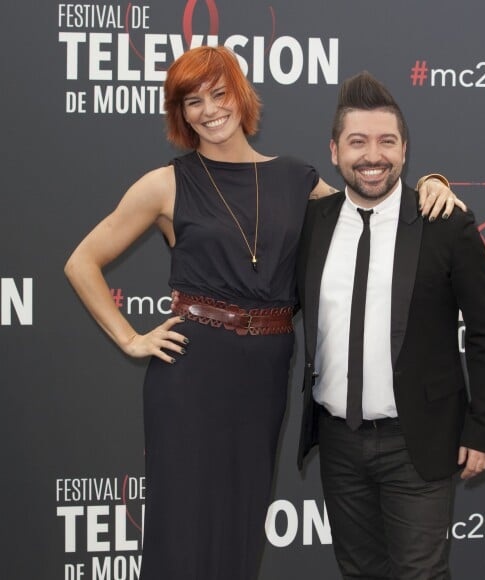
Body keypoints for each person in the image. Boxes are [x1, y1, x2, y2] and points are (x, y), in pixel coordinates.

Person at [64, 47, 461, 580]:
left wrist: (431, 182)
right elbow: (82, 261)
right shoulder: (166, 183)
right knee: (181, 520)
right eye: (192, 101)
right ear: (181, 114)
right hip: (191, 371)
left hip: (265, 373)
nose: (209, 110)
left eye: (219, 93)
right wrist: (131, 339)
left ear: (241, 94)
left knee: (241, 520)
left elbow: (373, 198)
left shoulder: (297, 179)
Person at [296, 71, 485, 580]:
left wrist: (484, 430)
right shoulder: (313, 221)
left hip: (418, 441)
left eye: (386, 141)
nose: (373, 155)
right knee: (358, 572)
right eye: (358, 142)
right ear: (334, 150)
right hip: (339, 443)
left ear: (405, 149)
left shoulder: (446, 222)